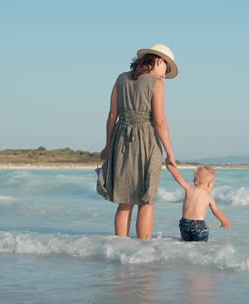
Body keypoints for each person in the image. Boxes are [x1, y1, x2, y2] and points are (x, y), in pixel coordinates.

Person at [97, 44, 179, 239]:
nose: (164, 75)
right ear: (159, 60)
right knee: (146, 199)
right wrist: (170, 153)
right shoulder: (156, 84)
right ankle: (143, 253)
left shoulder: (121, 79)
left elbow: (111, 115)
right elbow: (159, 121)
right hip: (147, 141)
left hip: (121, 141)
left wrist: (108, 145)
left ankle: (120, 248)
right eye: (166, 70)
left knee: (124, 200)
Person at [166, 164, 231, 241]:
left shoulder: (189, 189)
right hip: (198, 226)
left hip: (184, 224)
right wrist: (223, 220)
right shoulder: (208, 197)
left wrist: (170, 167)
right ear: (210, 183)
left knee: (186, 244)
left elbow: (177, 178)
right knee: (201, 247)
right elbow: (216, 211)